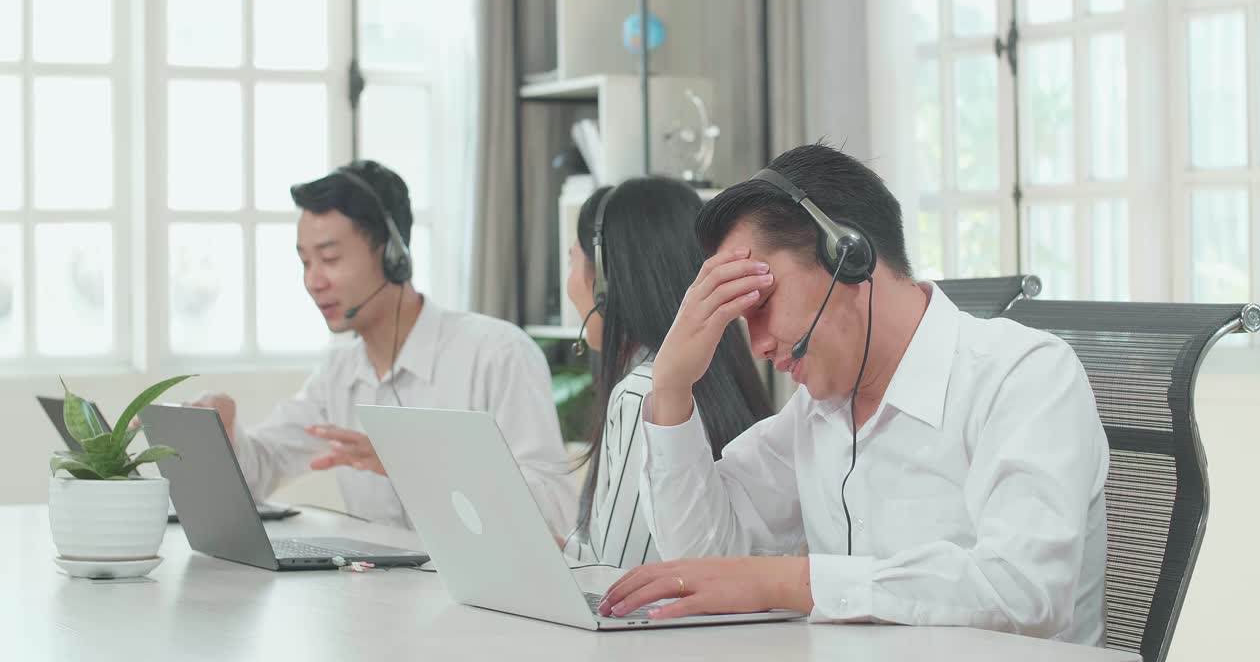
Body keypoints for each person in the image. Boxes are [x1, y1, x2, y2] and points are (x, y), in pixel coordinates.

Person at [596, 144, 1110, 646]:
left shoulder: (1025, 375)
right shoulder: (818, 411)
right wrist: (671, 387)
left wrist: (786, 583)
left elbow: (1025, 591)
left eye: (762, 303)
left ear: (848, 255)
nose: (758, 345)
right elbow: (703, 559)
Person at [191, 161, 576, 531]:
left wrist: (414, 466)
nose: (313, 281)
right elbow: (261, 469)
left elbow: (553, 513)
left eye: (329, 258)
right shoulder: (338, 373)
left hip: (482, 596)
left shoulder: (496, 354)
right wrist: (224, 433)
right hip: (377, 591)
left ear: (394, 255)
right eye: (305, 262)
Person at [560, 177, 772, 568]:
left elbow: (619, 577)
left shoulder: (643, 392)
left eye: (572, 259)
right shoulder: (721, 377)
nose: (571, 282)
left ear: (606, 283)